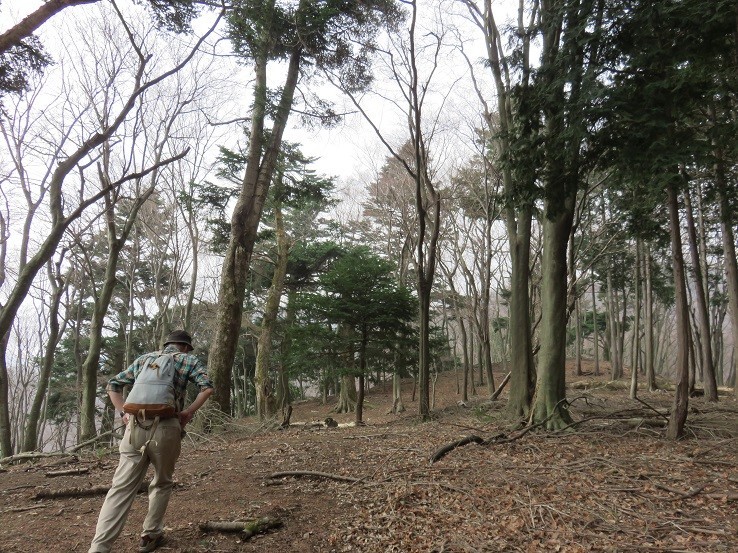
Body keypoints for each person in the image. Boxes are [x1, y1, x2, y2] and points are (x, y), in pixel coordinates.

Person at [88, 330, 213, 553]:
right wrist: (188, 412)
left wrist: (124, 412)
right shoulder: (188, 360)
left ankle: (99, 548)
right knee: (162, 481)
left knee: (121, 488)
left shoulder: (144, 359)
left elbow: (113, 385)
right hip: (167, 427)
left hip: (134, 427)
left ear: (166, 345)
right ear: (185, 347)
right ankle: (150, 535)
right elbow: (207, 387)